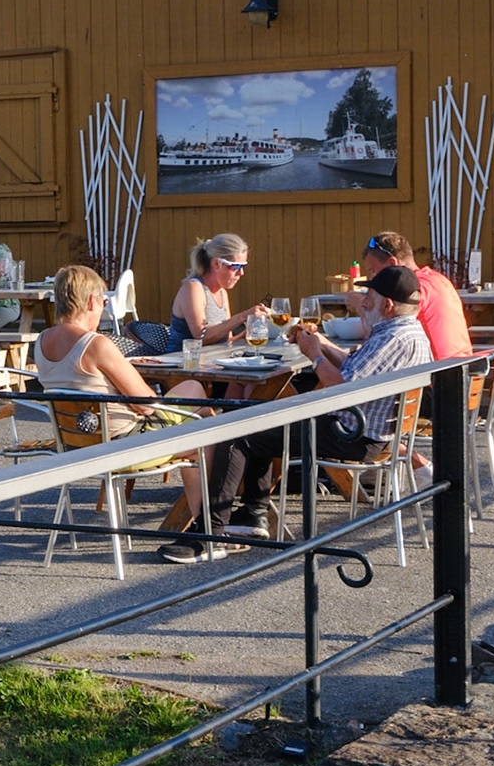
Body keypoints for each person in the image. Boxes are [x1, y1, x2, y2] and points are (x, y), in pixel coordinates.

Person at [183, 266, 434, 561]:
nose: (364, 303)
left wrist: (314, 355)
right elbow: (356, 372)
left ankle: (211, 533)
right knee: (263, 417)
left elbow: (343, 387)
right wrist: (323, 345)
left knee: (238, 433)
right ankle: (251, 517)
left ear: (388, 305)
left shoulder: (391, 338)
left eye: (370, 296)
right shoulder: (409, 332)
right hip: (370, 432)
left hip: (353, 434)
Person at [37, 265, 211, 521]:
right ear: (92, 301)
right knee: (205, 422)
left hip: (74, 446)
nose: (104, 306)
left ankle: (205, 519)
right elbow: (147, 404)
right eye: (105, 301)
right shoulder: (96, 344)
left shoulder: (41, 341)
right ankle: (207, 520)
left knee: (197, 405)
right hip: (121, 447)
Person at [346, 231, 472, 361]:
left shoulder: (410, 290)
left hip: (437, 374)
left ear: (392, 263)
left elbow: (376, 334)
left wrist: (362, 305)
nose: (372, 277)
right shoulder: (439, 279)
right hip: (463, 366)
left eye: (373, 270)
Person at [170, 233, 262, 345]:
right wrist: (244, 316)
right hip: (183, 360)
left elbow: (226, 341)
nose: (241, 273)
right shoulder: (193, 288)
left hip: (212, 359)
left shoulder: (222, 292)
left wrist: (251, 332)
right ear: (216, 264)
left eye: (242, 266)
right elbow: (201, 337)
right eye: (236, 267)